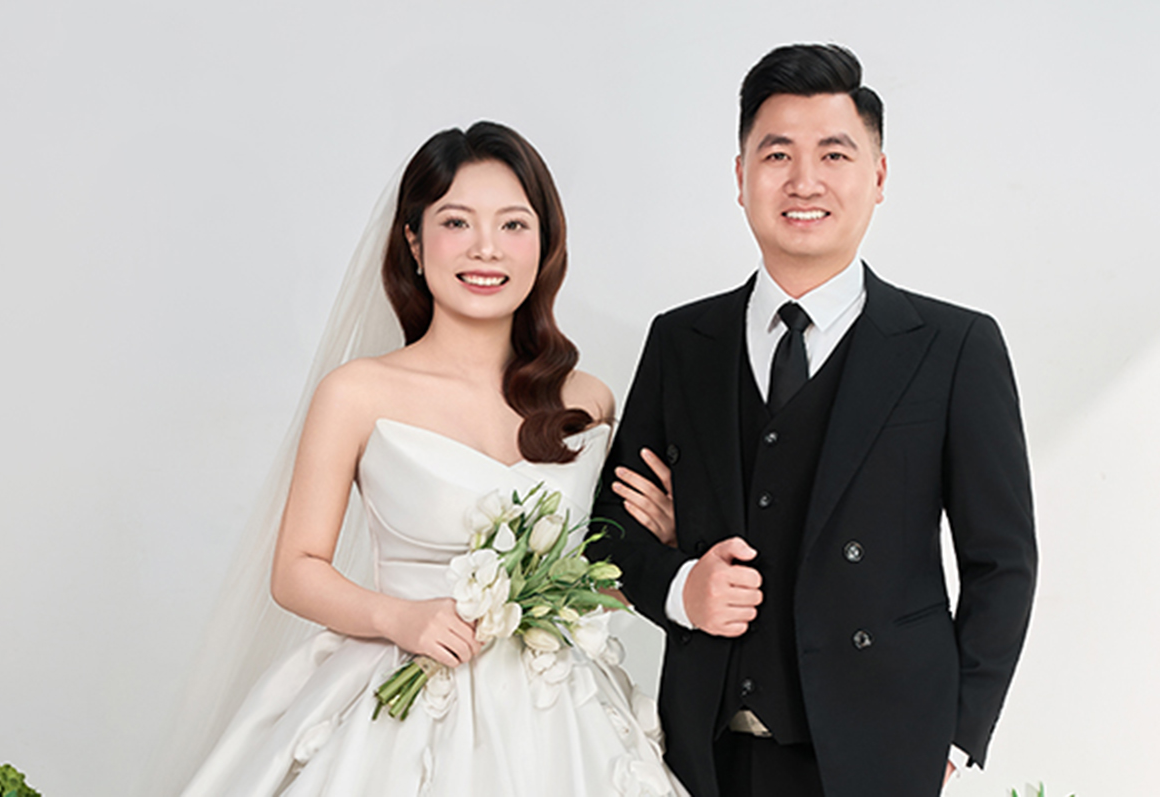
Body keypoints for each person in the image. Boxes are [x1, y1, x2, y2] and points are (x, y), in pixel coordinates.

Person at [175, 121, 688, 797]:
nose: (485, 248)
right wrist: (400, 618)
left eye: (513, 225)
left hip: (561, 718)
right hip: (402, 697)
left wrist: (661, 543)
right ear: (414, 242)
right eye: (456, 222)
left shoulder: (585, 399)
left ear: (544, 244)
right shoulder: (357, 393)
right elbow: (295, 570)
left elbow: (591, 582)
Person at [590, 44, 1037, 797]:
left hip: (883, 753)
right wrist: (681, 587)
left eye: (833, 154)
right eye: (777, 155)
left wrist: (956, 737)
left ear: (878, 177)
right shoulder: (682, 341)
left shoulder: (954, 346)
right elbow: (609, 529)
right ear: (740, 177)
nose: (804, 181)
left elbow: (1002, 562)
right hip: (705, 751)